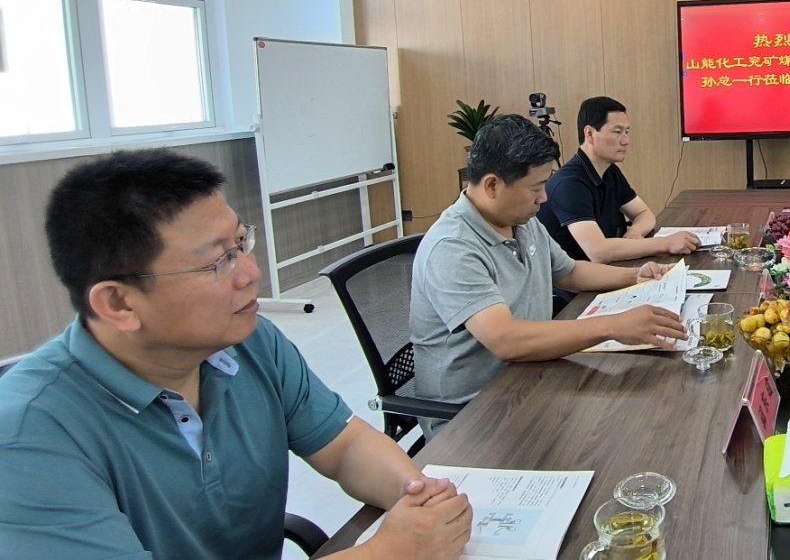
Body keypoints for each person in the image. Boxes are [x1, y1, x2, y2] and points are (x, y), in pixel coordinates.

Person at [0, 149, 473, 559]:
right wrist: (386, 552)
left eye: (240, 243)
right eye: (218, 261)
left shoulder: (250, 342)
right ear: (119, 304)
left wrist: (421, 496)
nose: (250, 273)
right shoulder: (29, 438)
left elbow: (344, 446)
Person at [411, 114, 688, 431]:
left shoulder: (521, 220)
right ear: (492, 185)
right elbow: (506, 341)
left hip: (534, 378)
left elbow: (569, 272)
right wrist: (612, 326)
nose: (544, 198)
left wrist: (636, 276)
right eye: (537, 187)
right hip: (474, 415)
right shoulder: (452, 247)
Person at [538, 96, 700, 263]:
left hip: (610, 268)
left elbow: (644, 214)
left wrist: (635, 233)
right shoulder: (568, 184)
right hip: (579, 278)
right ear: (590, 134)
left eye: (627, 132)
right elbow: (598, 252)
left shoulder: (610, 171)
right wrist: (665, 243)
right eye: (617, 132)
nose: (626, 141)